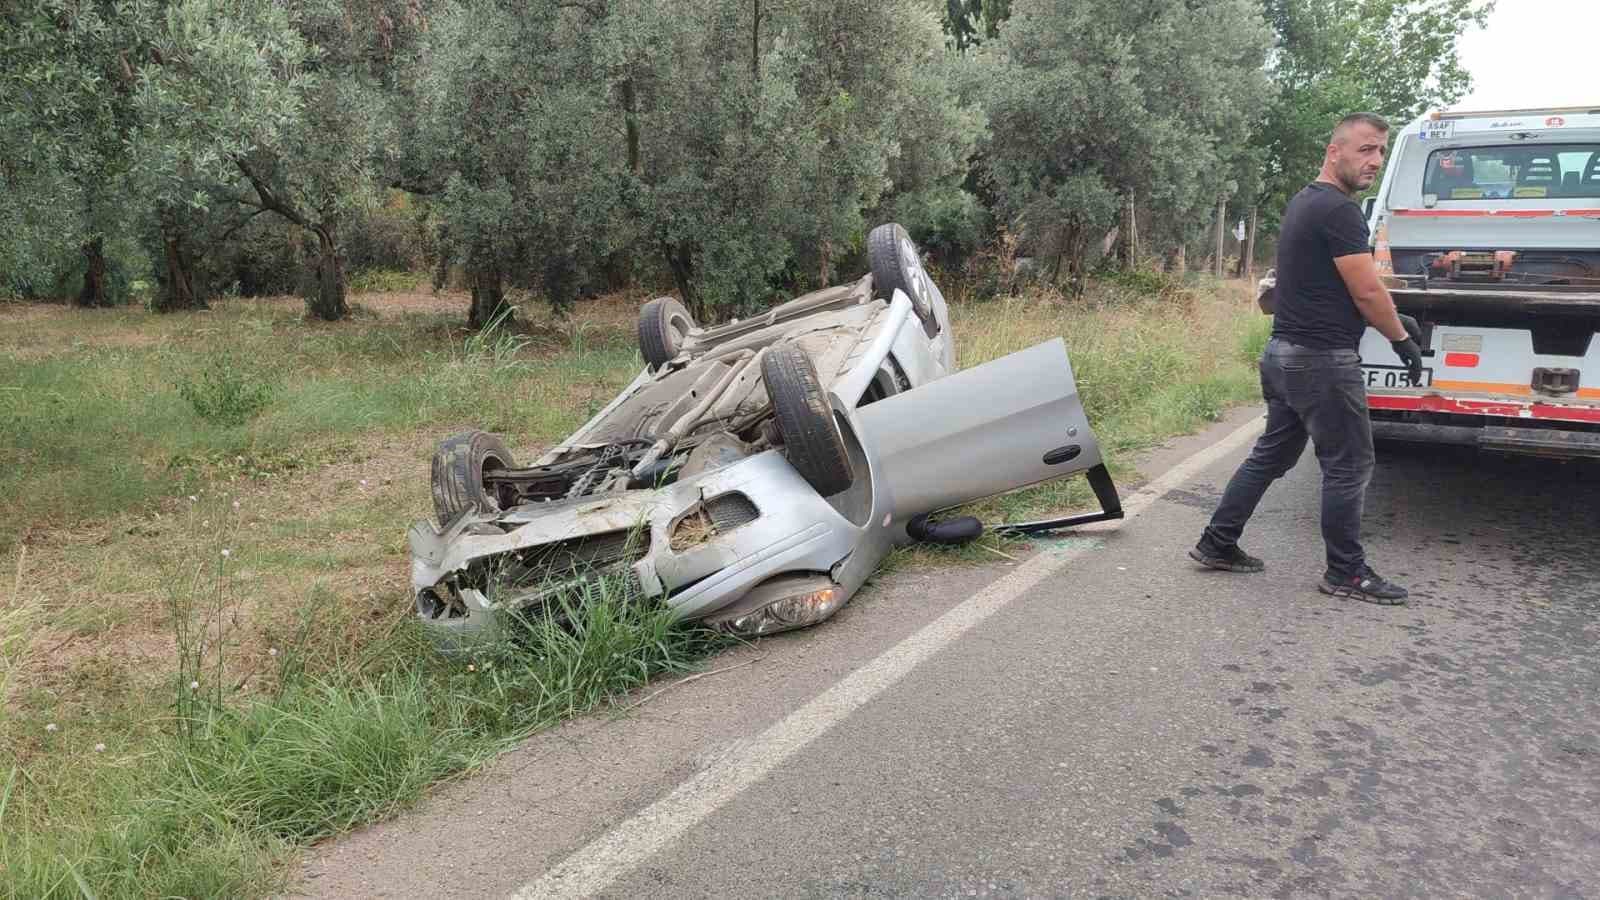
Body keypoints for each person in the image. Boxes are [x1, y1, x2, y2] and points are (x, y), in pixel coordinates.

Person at [1187, 112, 1424, 605]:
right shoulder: (1340, 211)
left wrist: (1394, 322)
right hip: (1320, 361)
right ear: (1333, 152)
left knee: (1271, 454)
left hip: (1282, 354)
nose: (1375, 161)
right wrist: (1401, 336)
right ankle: (1346, 572)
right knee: (1350, 462)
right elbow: (1365, 288)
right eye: (1365, 150)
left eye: (1380, 151)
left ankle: (1217, 542)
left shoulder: (1303, 202)